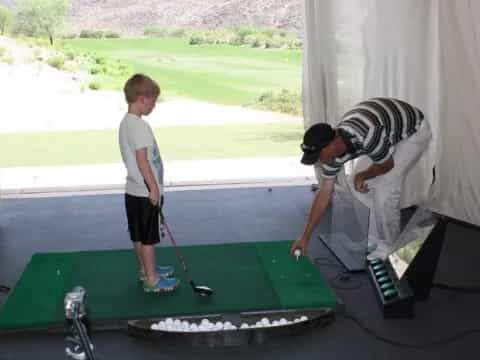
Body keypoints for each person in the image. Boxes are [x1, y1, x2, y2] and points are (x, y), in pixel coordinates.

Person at [291, 97, 432, 260]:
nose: (319, 161)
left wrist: (362, 175)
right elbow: (323, 194)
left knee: (385, 191)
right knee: (355, 184)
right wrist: (305, 237)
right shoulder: (332, 156)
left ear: (331, 145)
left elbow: (387, 166)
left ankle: (389, 247)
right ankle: (373, 240)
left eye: (318, 155)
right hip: (385, 130)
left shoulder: (368, 134)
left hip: (413, 131)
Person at [119, 73, 179, 293]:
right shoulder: (139, 127)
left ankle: (146, 269)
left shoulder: (126, 123)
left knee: (137, 234)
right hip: (145, 193)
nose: (154, 105)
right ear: (143, 98)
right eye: (153, 100)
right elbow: (142, 160)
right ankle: (152, 280)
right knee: (148, 238)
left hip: (132, 191)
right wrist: (153, 188)